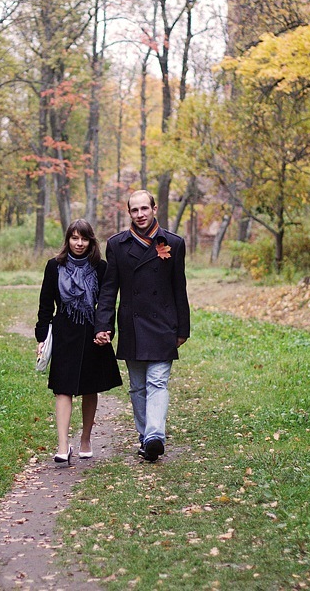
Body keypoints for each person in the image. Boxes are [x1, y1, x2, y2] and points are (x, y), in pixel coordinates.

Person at [94, 190, 190, 462]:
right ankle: (145, 436)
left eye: (144, 208)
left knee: (157, 382)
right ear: (129, 213)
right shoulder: (117, 245)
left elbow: (179, 288)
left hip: (163, 324)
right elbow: (109, 289)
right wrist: (103, 325)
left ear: (154, 209)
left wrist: (183, 328)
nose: (140, 214)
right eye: (134, 210)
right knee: (138, 386)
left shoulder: (173, 243)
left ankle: (154, 437)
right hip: (132, 324)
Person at [36, 219, 122, 465]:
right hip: (64, 331)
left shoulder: (100, 268)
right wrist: (41, 338)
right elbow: (45, 305)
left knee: (89, 387)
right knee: (62, 388)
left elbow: (107, 303)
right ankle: (63, 445)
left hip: (91, 332)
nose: (79, 243)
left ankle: (85, 439)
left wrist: (105, 330)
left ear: (91, 241)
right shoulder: (54, 266)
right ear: (68, 240)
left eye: (84, 238)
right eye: (75, 238)